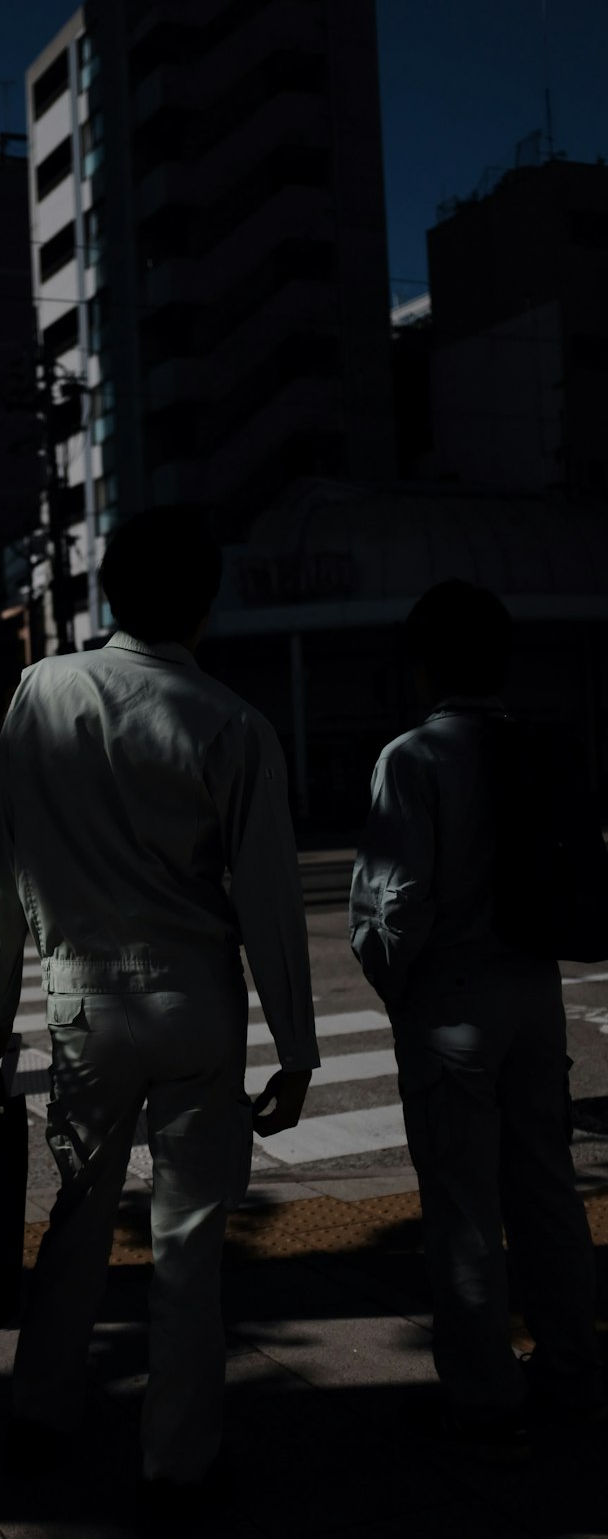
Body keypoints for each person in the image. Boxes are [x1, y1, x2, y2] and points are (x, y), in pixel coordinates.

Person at [0, 505, 318, 1533]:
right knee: (189, 1243)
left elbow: (2, 859)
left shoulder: (42, 691)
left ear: (110, 593)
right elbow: (270, 904)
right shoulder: (232, 723)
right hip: (197, 1000)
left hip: (86, 1000)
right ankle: (177, 1461)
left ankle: (40, 1414)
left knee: (77, 1216)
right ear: (206, 603)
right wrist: (295, 1050)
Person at [349, 579, 604, 1454]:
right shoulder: (537, 747)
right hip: (536, 992)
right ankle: (572, 1369)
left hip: (452, 1000)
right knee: (546, 1190)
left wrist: (397, 988)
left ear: (421, 664)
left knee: (461, 1205)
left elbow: (394, 903)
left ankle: (485, 1396)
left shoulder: (413, 757)